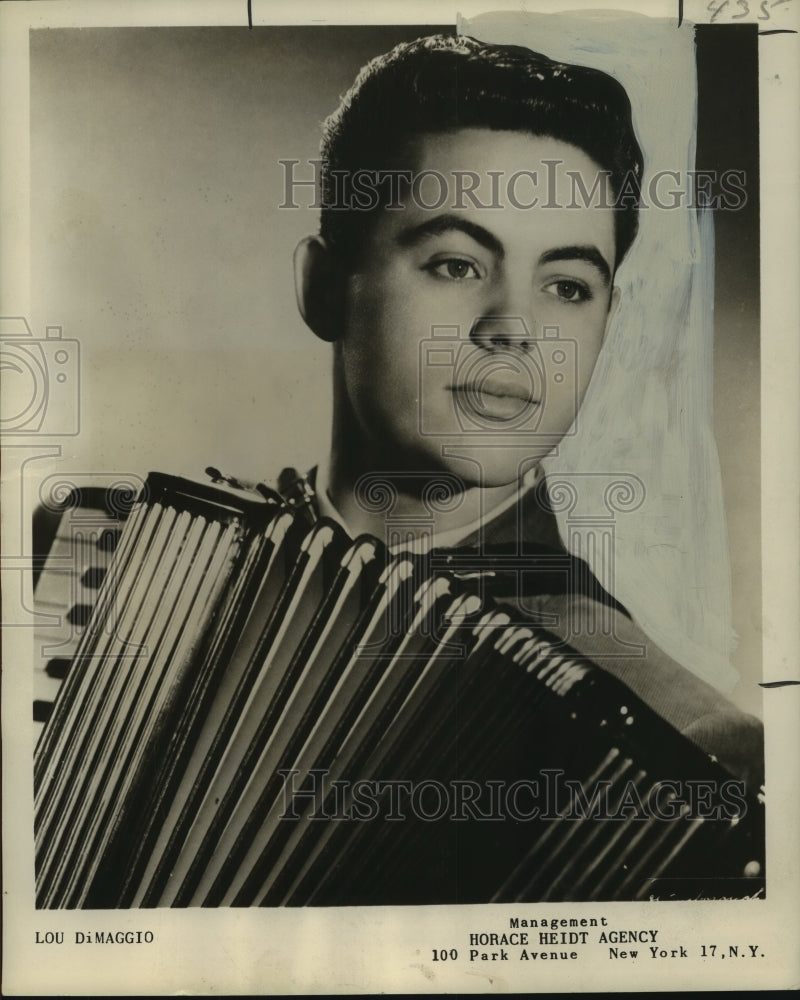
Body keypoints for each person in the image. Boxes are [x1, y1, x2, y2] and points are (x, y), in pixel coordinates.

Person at [280, 33, 763, 789]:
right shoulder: (143, 571)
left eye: (568, 286)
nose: (514, 329)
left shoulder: (670, 741)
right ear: (323, 288)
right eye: (456, 264)